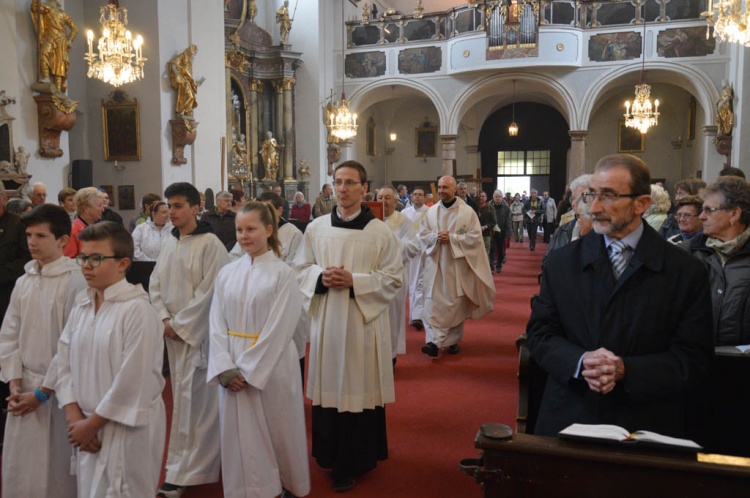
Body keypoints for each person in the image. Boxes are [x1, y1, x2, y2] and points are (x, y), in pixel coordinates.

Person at [526, 154, 713, 439]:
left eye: (610, 196)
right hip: (571, 412)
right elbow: (540, 334)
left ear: (642, 204)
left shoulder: (685, 271)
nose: (596, 208)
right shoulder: (562, 263)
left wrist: (627, 370)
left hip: (647, 421)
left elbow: (694, 357)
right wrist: (580, 361)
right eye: (592, 196)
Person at [294, 160, 402, 493]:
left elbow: (393, 278)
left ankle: (355, 459)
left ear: (363, 188)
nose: (342, 188)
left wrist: (354, 280)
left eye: (350, 182)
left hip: (361, 324)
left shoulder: (380, 231)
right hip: (328, 322)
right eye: (338, 182)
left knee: (357, 385)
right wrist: (320, 277)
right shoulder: (316, 227)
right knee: (330, 386)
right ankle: (328, 456)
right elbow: (300, 268)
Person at [56, 222, 166, 497]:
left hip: (124, 427)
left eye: (96, 258)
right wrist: (74, 418)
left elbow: (133, 379)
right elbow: (64, 360)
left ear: (123, 263)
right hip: (83, 424)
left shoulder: (138, 311)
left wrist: (91, 425)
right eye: (83, 257)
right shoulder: (82, 304)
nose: (86, 266)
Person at [208, 201, 310, 498]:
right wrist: (225, 367)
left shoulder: (283, 274)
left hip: (271, 365)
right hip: (231, 364)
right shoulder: (227, 273)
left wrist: (249, 371)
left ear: (269, 230)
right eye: (239, 229)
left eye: (251, 229)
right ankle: (246, 489)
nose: (243, 235)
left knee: (277, 429)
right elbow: (215, 322)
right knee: (238, 435)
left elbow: (281, 328)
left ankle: (287, 485)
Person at [0, 205, 84, 498]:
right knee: (21, 467)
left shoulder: (74, 281)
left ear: (62, 240)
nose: (31, 242)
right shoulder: (24, 281)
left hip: (57, 390)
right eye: (28, 235)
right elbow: (10, 332)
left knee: (57, 469)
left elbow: (71, 342)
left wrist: (42, 392)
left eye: (40, 235)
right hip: (23, 386)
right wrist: (14, 381)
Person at [150, 183, 228, 498]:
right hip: (173, 334)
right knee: (182, 404)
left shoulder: (211, 245)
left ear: (197, 207)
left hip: (199, 338)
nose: (172, 211)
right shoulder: (170, 243)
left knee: (198, 406)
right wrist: (164, 319)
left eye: (179, 205)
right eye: (169, 205)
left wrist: (179, 324)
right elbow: (155, 283)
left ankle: (188, 473)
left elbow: (210, 293)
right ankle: (183, 469)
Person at [418, 176, 495, 357]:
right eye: (440, 187)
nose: (442, 190)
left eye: (445, 187)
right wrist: (436, 237)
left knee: (454, 304)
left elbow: (475, 238)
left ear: (455, 190)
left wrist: (452, 238)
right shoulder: (431, 212)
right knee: (432, 304)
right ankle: (433, 342)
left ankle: (452, 342)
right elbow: (422, 234)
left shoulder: (467, 212)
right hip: (435, 264)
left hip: (456, 265)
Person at [686, 176, 750, 346]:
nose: (701, 216)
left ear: (734, 214)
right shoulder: (688, 253)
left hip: (743, 363)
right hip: (696, 358)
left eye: (708, 210)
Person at [377, 186, 420, 363]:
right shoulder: (368, 221)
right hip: (368, 276)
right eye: (380, 197)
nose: (383, 201)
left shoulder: (403, 222)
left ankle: (390, 356)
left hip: (393, 277)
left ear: (396, 201)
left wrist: (389, 242)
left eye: (387, 197)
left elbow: (413, 248)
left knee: (391, 318)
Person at [30, 0, 77, 92]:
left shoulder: (63, 14)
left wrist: (70, 40)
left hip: (61, 40)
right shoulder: (46, 8)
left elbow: (74, 28)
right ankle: (46, 77)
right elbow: (35, 7)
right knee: (43, 53)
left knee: (59, 64)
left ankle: (58, 90)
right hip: (49, 37)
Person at [401, 186, 429, 330]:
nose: (417, 197)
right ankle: (410, 313)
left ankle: (417, 315)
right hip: (406, 252)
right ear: (411, 197)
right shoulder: (404, 212)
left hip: (421, 252)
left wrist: (417, 241)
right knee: (406, 283)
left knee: (418, 283)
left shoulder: (429, 212)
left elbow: (428, 232)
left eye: (420, 194)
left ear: (424, 197)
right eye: (415, 194)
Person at [63, 187, 105, 258]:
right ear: (86, 208)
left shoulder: (94, 228)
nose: (103, 209)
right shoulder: (73, 231)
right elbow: (69, 262)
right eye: (99, 205)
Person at [168, 44, 200, 117]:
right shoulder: (182, 56)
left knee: (191, 97)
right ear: (191, 51)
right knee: (189, 96)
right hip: (182, 81)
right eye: (194, 53)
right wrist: (177, 75)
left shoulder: (188, 60)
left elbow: (187, 73)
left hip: (186, 81)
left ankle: (187, 112)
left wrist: (196, 83)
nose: (194, 55)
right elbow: (173, 64)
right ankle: (181, 110)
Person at [490, 190, 512, 273]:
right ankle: (491, 267)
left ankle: (499, 265)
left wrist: (508, 234)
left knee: (500, 250)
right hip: (491, 232)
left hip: (501, 232)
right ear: (493, 198)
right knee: (491, 250)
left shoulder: (506, 208)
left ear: (502, 198)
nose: (497, 198)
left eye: (499, 196)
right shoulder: (489, 206)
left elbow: (508, 221)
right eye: (496, 197)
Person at [477, 191, 497, 268]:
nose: (481, 198)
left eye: (483, 196)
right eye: (480, 196)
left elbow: (494, 222)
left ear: (486, 198)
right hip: (475, 235)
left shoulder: (490, 207)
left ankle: (487, 271)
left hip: (486, 234)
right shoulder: (475, 207)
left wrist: (485, 226)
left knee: (485, 254)